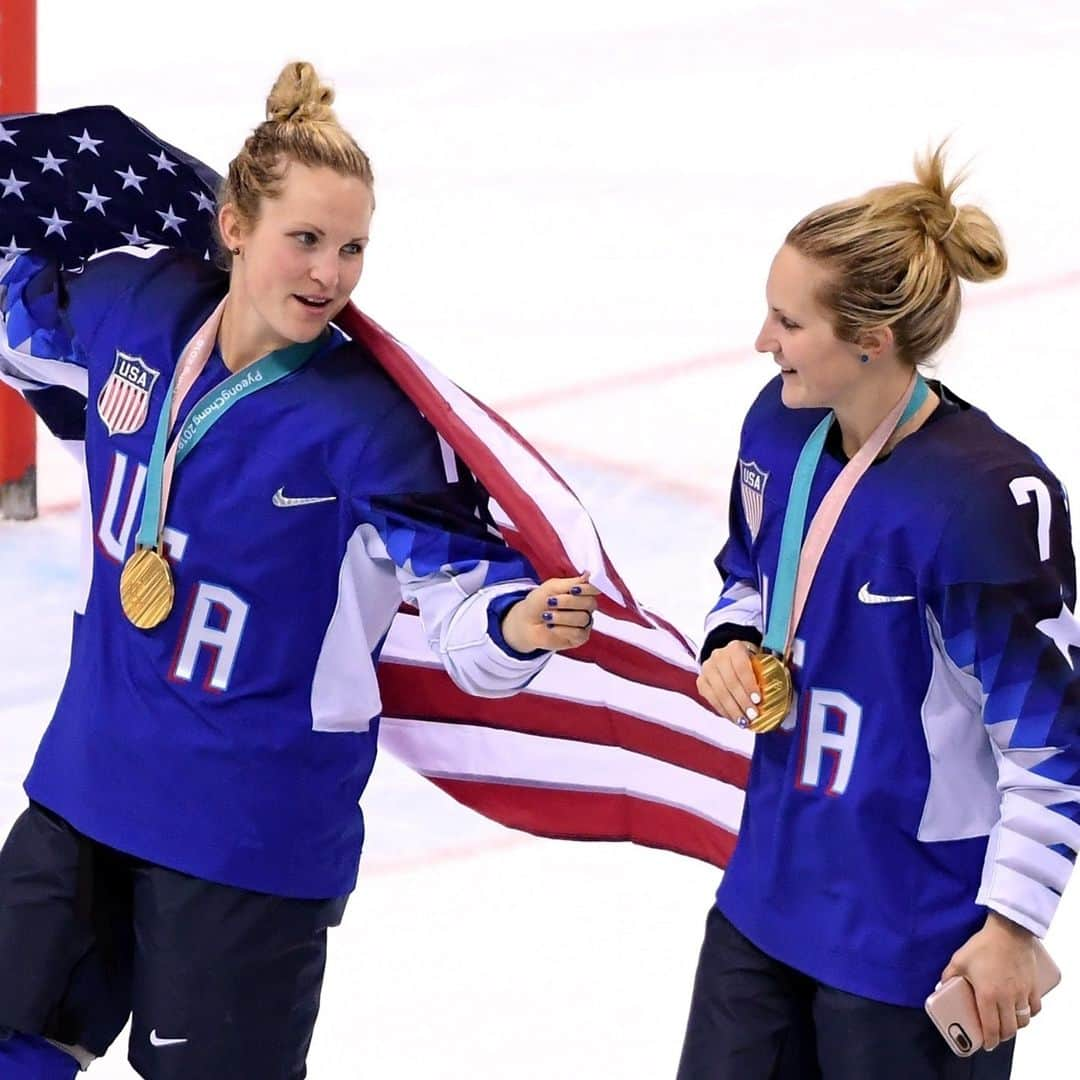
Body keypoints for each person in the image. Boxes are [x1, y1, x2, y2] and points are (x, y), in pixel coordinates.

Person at [0, 62, 598, 1079]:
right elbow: (23, 334)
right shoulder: (133, 305)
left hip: (247, 835)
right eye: (306, 239)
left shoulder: (371, 425)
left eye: (353, 248)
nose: (330, 274)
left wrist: (514, 626)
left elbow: (463, 600)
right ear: (233, 225)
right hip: (90, 779)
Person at [678, 147, 1079, 1078]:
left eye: (788, 320)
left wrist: (1014, 927)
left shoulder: (983, 500)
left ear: (872, 337)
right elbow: (748, 575)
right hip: (763, 905)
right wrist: (731, 640)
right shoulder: (778, 427)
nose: (761, 341)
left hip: (911, 943)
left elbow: (1053, 743)